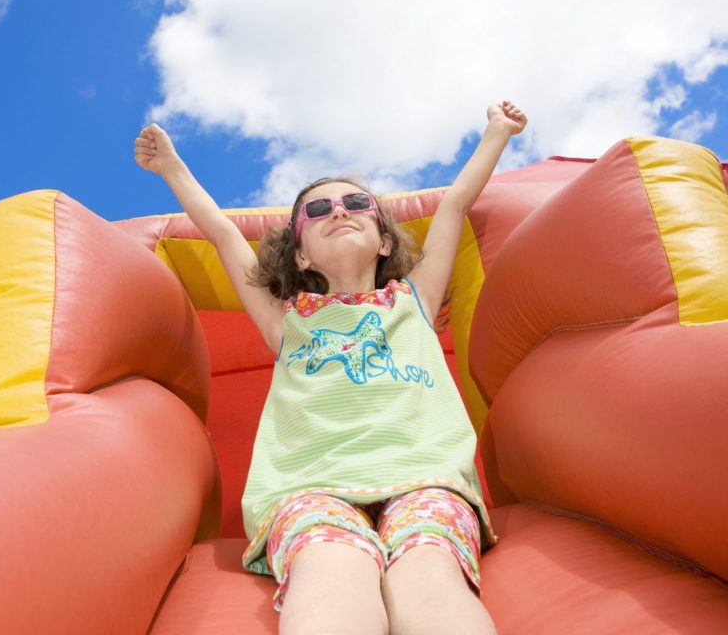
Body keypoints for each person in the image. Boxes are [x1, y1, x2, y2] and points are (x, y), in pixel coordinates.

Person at [134, 101, 528, 635]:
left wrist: (497, 133)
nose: (338, 212)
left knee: (428, 571)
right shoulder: (287, 323)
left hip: (425, 482)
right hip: (310, 489)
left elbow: (456, 203)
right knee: (327, 572)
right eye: (316, 212)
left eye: (355, 203)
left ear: (384, 239)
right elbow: (225, 235)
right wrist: (171, 168)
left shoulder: (414, 299)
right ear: (300, 256)